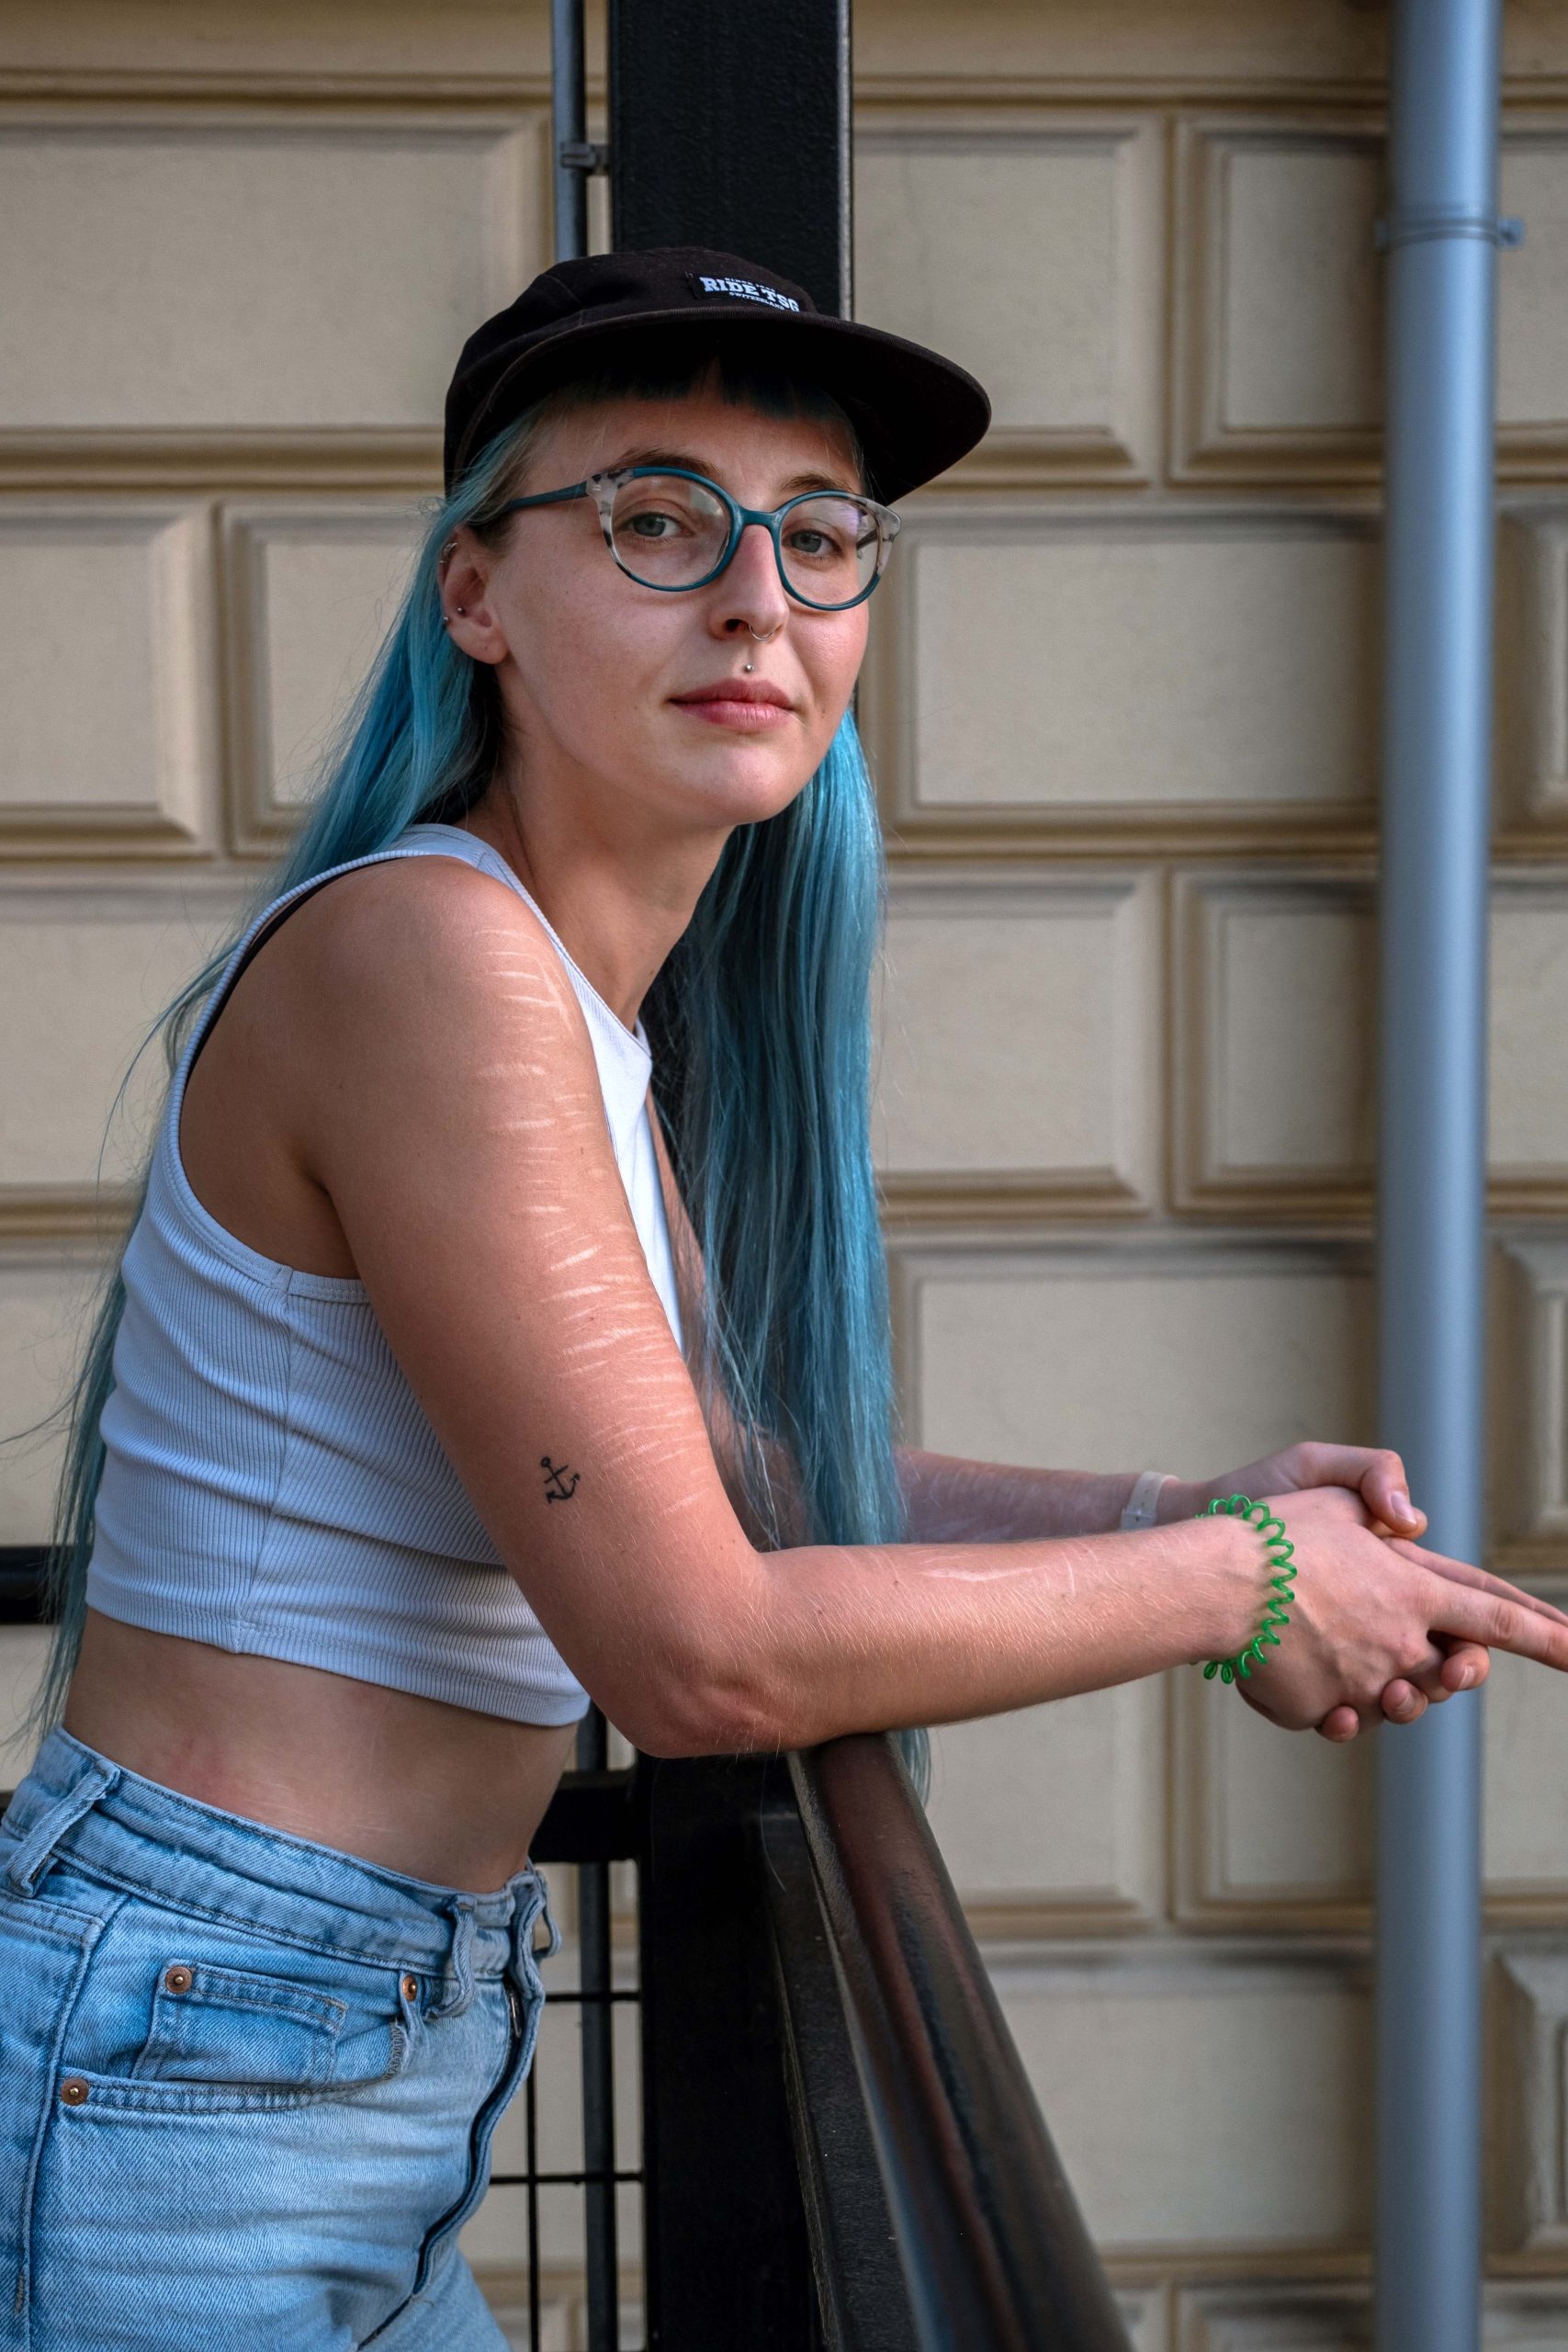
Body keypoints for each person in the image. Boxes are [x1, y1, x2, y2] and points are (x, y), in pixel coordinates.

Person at [3, 244, 1565, 2350]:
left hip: (295, 2042)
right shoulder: (433, 960)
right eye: (656, 519)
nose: (755, 596)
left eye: (818, 536)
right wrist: (1243, 1584)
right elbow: (700, 1650)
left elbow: (735, 1476)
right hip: (190, 2063)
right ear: (476, 592)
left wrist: (1166, 1508)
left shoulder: (566, 1005)